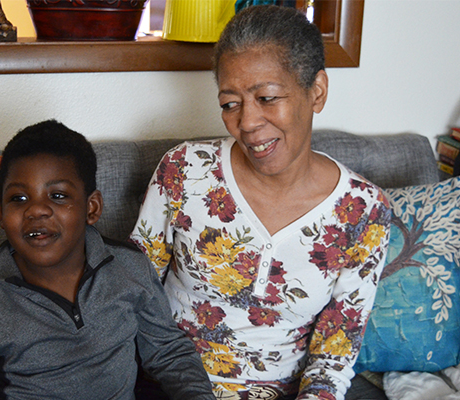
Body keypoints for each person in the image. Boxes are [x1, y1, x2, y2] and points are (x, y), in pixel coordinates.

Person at [130, 5, 391, 400]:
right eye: (230, 103)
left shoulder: (364, 211)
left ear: (316, 91)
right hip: (170, 383)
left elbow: (333, 357)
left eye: (267, 97)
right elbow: (132, 291)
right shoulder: (184, 170)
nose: (247, 123)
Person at [0, 120, 216, 400]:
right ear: (0, 212)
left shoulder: (129, 266)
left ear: (91, 208)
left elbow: (168, 351)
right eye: (18, 198)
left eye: (57, 195)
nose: (37, 210)